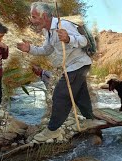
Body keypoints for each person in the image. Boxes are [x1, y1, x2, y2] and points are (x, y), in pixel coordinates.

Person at [17, 2, 94, 141]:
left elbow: (83, 41)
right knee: (80, 94)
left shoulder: (63, 25)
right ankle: (90, 119)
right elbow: (46, 50)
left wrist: (69, 38)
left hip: (79, 64)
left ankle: (53, 130)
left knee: (60, 95)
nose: (32, 21)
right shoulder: (47, 31)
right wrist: (29, 48)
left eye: (34, 17)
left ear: (44, 16)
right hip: (73, 66)